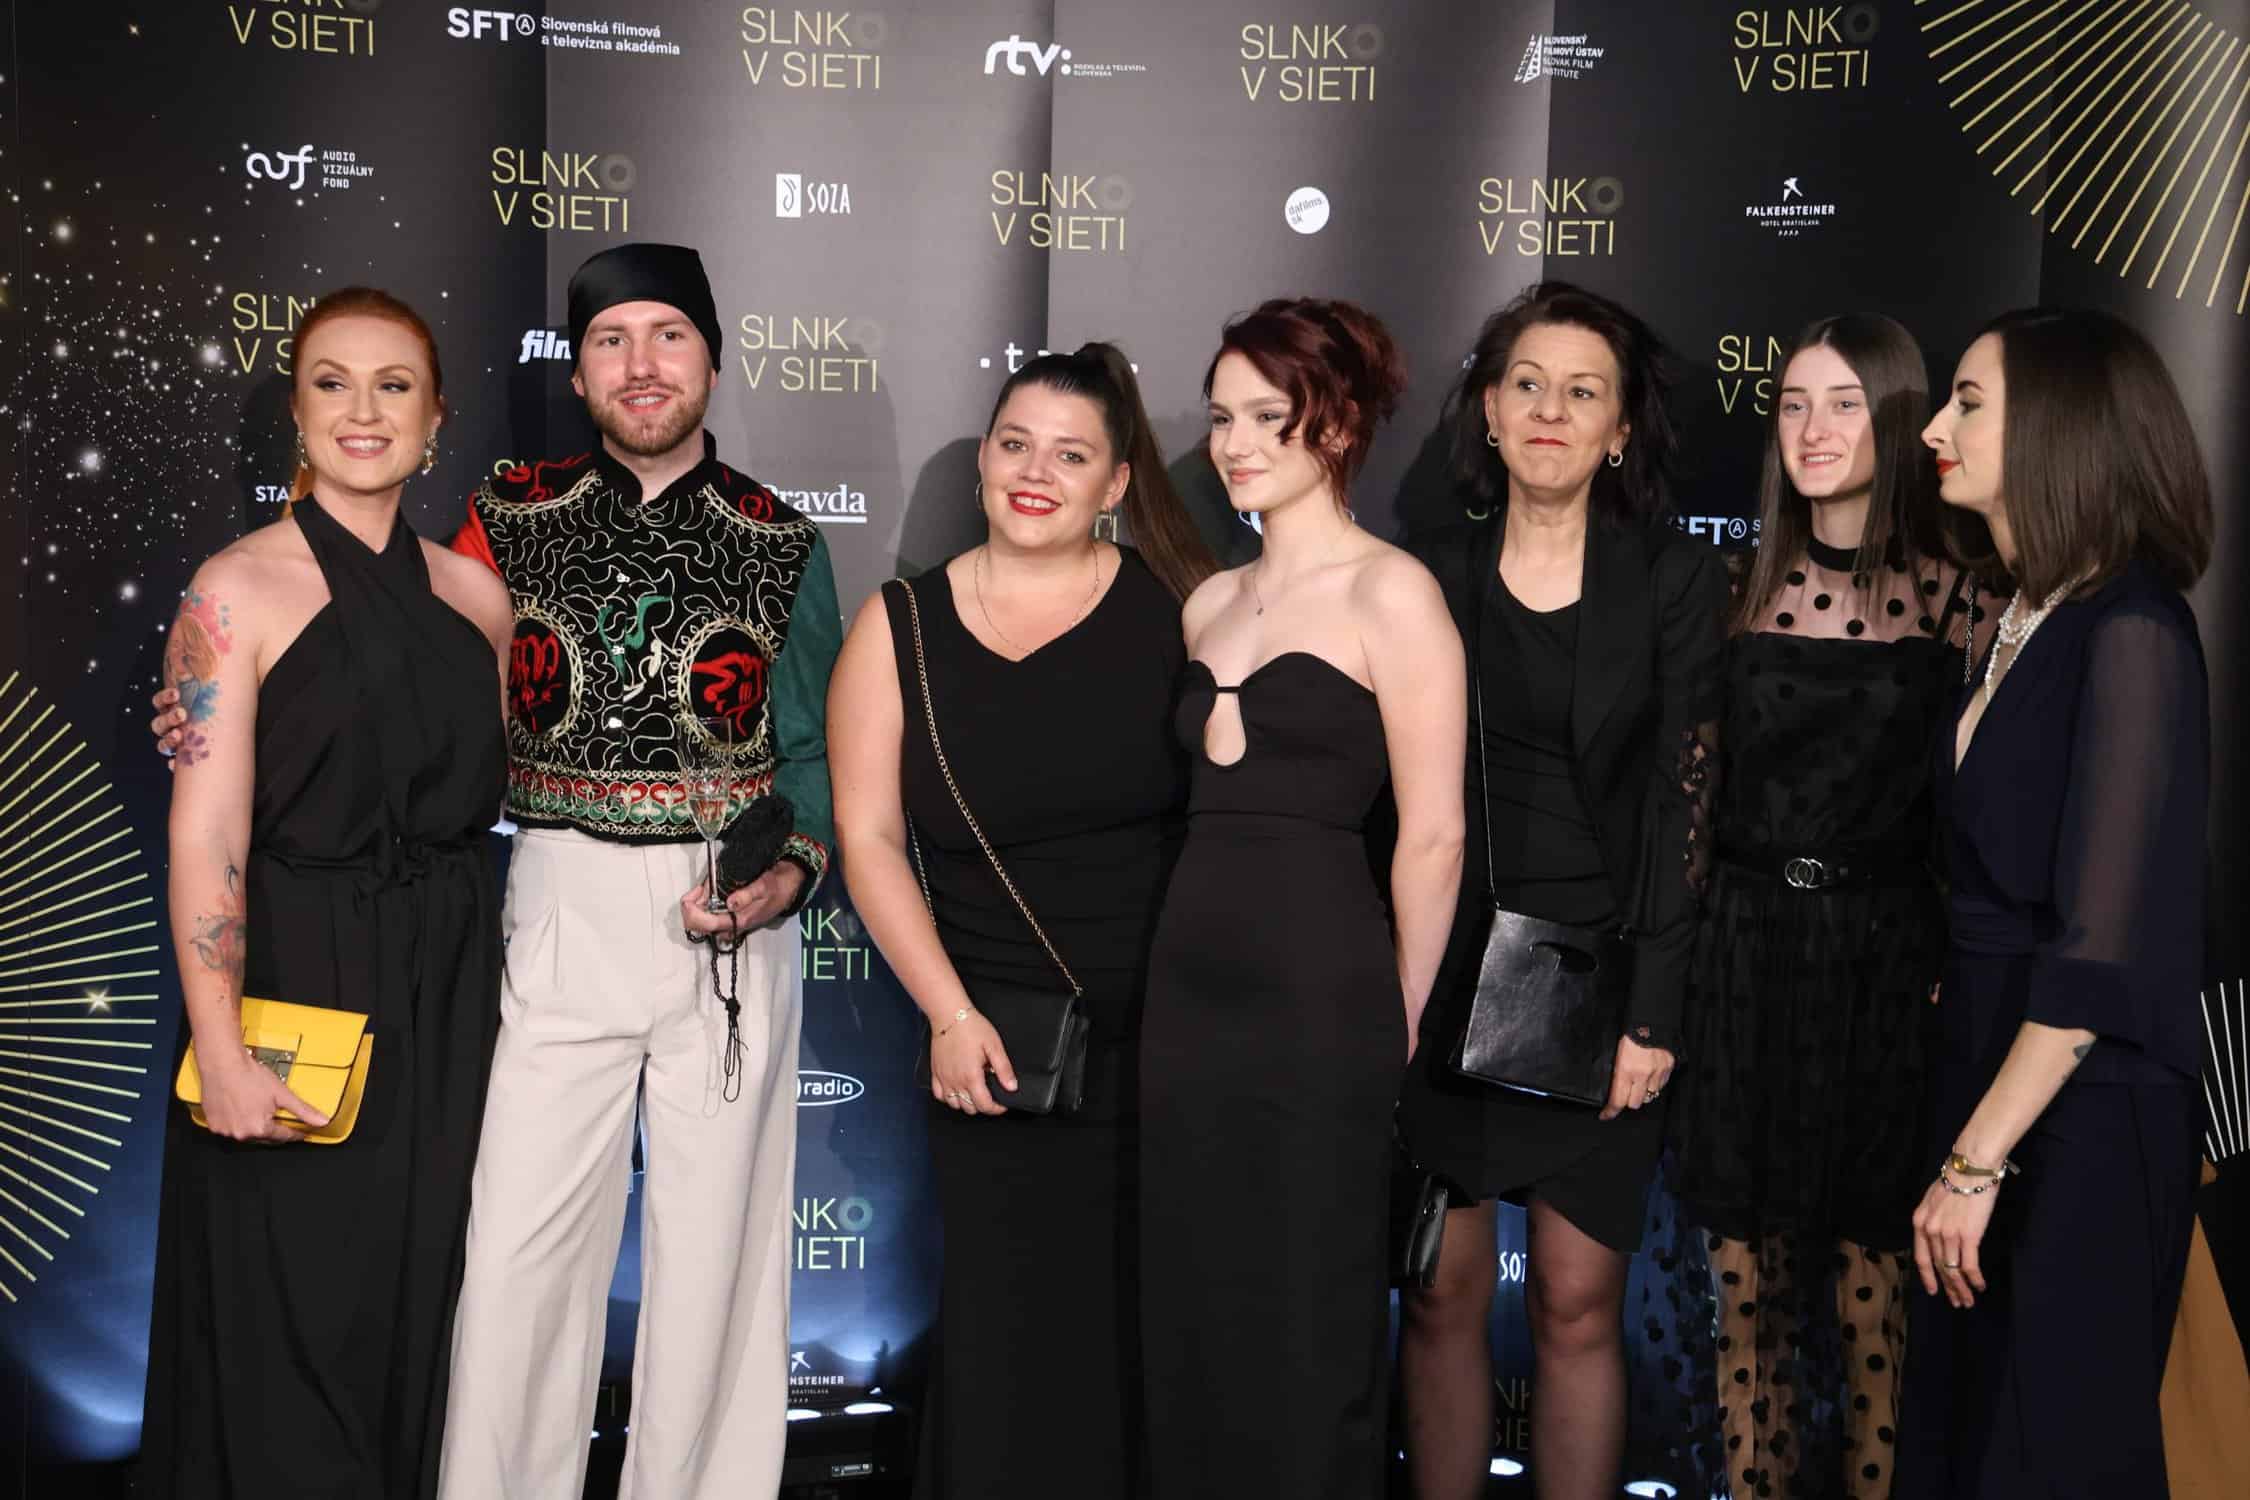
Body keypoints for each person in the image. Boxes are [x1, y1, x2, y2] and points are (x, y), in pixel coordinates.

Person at [140, 288, 513, 1498]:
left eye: (394, 386)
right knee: (290, 1312)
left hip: (449, 988)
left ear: (436, 418)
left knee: (424, 1305)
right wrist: (220, 1048)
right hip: (296, 976)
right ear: (297, 415)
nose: (364, 410)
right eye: (332, 383)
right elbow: (206, 836)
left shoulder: (477, 600)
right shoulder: (231, 590)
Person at [827, 344, 1215, 1500]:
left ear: (1116, 483)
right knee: (1005, 1337)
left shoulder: (1182, 613)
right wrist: (949, 1016)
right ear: (984, 459)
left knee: (1139, 1334)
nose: (1035, 473)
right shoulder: (899, 625)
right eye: (1014, 445)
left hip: (1166, 1049)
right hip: (993, 1052)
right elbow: (868, 839)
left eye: (1071, 455)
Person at [1394, 282, 1727, 1500]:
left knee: (1578, 1305)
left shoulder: (1674, 578)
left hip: (1603, 976)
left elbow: (1689, 804)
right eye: (1527, 385)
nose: (1550, 410)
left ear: (1620, 427)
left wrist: (1654, 1015)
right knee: (1440, 1293)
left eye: (1583, 392)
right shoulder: (1428, 576)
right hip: (1450, 976)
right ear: (1488, 409)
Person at [1138, 297, 1466, 1498]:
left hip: (1325, 995)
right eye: (1221, 417)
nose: (1232, 443)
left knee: (1308, 1305)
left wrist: (1401, 1010)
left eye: (1264, 417)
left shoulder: (1395, 594)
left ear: (1334, 424)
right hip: (1186, 993)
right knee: (1194, 1296)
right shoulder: (1206, 603)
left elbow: (1432, 834)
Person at [1664, 314, 1991, 1499]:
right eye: (1794, 403)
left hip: (1885, 973)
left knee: (1872, 1303)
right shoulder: (1731, 590)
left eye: (1844, 403)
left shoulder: (1964, 601)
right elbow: (1693, 802)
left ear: (1899, 418)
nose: (1812, 429)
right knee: (1744, 1294)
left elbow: (1979, 821)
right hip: (1744, 965)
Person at [1901, 307, 2212, 1498]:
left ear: (2061, 426)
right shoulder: (2021, 616)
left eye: (1970, 402)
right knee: (1964, 1438)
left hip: (2079, 1118)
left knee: (2047, 1454)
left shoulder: (2132, 628)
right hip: (1987, 1078)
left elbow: (2099, 948)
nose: (1934, 428)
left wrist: (1975, 1164)